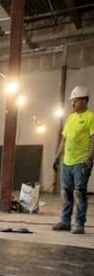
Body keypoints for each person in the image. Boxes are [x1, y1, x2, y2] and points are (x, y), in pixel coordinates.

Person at [52, 85, 94, 235]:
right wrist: (57, 157)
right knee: (66, 192)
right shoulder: (70, 118)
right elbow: (64, 139)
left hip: (81, 161)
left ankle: (79, 223)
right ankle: (65, 222)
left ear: (84, 100)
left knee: (79, 193)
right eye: (72, 101)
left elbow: (93, 137)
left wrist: (90, 157)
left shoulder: (90, 117)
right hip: (67, 161)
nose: (72, 104)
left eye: (75, 101)